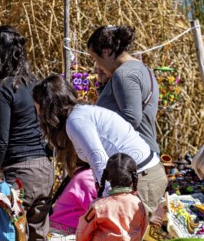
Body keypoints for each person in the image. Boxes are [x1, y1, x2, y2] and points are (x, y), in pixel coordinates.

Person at [0, 25, 56, 241]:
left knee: (11, 235)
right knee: (39, 236)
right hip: (43, 166)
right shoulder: (35, 84)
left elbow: (1, 137)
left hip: (20, 171)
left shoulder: (3, 88)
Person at [32, 74, 163, 214]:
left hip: (142, 177)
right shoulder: (80, 114)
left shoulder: (76, 121)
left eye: (37, 107)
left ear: (47, 105)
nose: (37, 111)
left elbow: (99, 160)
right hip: (141, 174)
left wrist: (105, 203)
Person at [87, 25, 167, 209]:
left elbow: (131, 118)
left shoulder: (124, 74)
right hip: (141, 161)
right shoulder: (137, 68)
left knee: (129, 233)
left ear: (106, 51)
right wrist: (103, 85)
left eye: (95, 58)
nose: (96, 65)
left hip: (137, 166)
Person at [50, 160, 97, 235]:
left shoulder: (83, 172)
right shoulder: (88, 176)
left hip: (59, 229)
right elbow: (97, 212)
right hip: (64, 233)